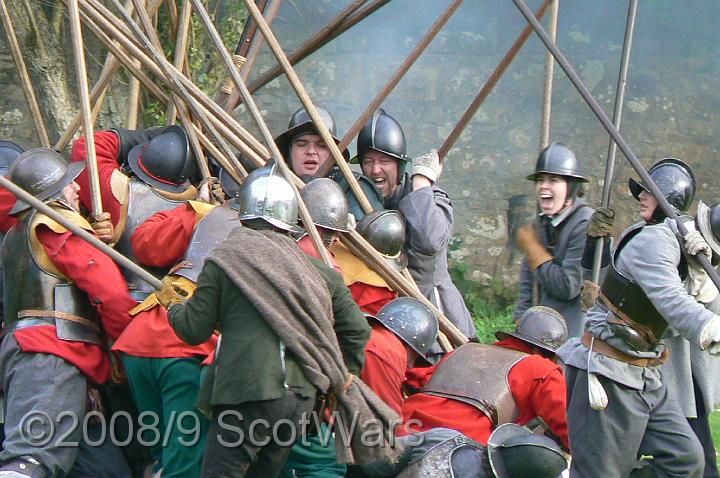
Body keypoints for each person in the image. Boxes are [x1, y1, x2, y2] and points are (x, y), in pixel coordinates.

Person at [161, 167, 374, 477]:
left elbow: (193, 330)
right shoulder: (321, 271)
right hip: (301, 398)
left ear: (244, 212)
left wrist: (174, 305)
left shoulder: (224, 260)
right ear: (290, 219)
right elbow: (357, 331)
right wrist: (344, 375)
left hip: (248, 393)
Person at [557, 158, 720, 477]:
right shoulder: (653, 241)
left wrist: (699, 272)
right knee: (601, 472)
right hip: (608, 370)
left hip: (646, 374)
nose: (641, 196)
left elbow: (676, 313)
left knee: (685, 461)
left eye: (650, 191)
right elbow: (670, 300)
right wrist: (594, 245)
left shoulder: (686, 253)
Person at [0, 148, 135, 477]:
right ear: (50, 193)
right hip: (51, 352)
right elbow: (110, 292)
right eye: (68, 183)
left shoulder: (14, 235)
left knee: (106, 473)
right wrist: (125, 349)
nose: (77, 188)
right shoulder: (54, 222)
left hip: (61, 358)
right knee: (31, 459)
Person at [110, 197, 236, 477]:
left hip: (142, 340)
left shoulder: (208, 215)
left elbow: (147, 245)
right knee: (184, 461)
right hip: (188, 349)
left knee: (161, 459)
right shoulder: (283, 239)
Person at [356, 108, 475, 349]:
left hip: (436, 322)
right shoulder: (360, 198)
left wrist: (422, 184)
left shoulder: (432, 199)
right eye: (368, 161)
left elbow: (430, 241)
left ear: (400, 166)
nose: (375, 169)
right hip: (387, 320)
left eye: (384, 161)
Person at [401, 306, 569, 449]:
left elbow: (416, 380)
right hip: (459, 446)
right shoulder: (542, 368)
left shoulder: (466, 350)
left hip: (404, 427)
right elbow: (568, 426)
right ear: (541, 351)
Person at [514, 142, 593, 338]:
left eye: (553, 180)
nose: (543, 186)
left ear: (571, 187)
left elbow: (568, 287)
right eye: (540, 180)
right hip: (539, 328)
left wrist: (535, 251)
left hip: (571, 333)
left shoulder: (584, 224)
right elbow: (528, 278)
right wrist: (521, 318)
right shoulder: (540, 223)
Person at [274, 105, 383, 220]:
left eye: (321, 145)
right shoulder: (275, 185)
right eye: (302, 144)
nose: (311, 151)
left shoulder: (354, 188)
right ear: (289, 151)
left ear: (333, 153)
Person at [361, 298, 439, 415]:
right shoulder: (388, 351)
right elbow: (389, 420)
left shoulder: (368, 333)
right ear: (408, 346)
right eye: (415, 357)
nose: (411, 365)